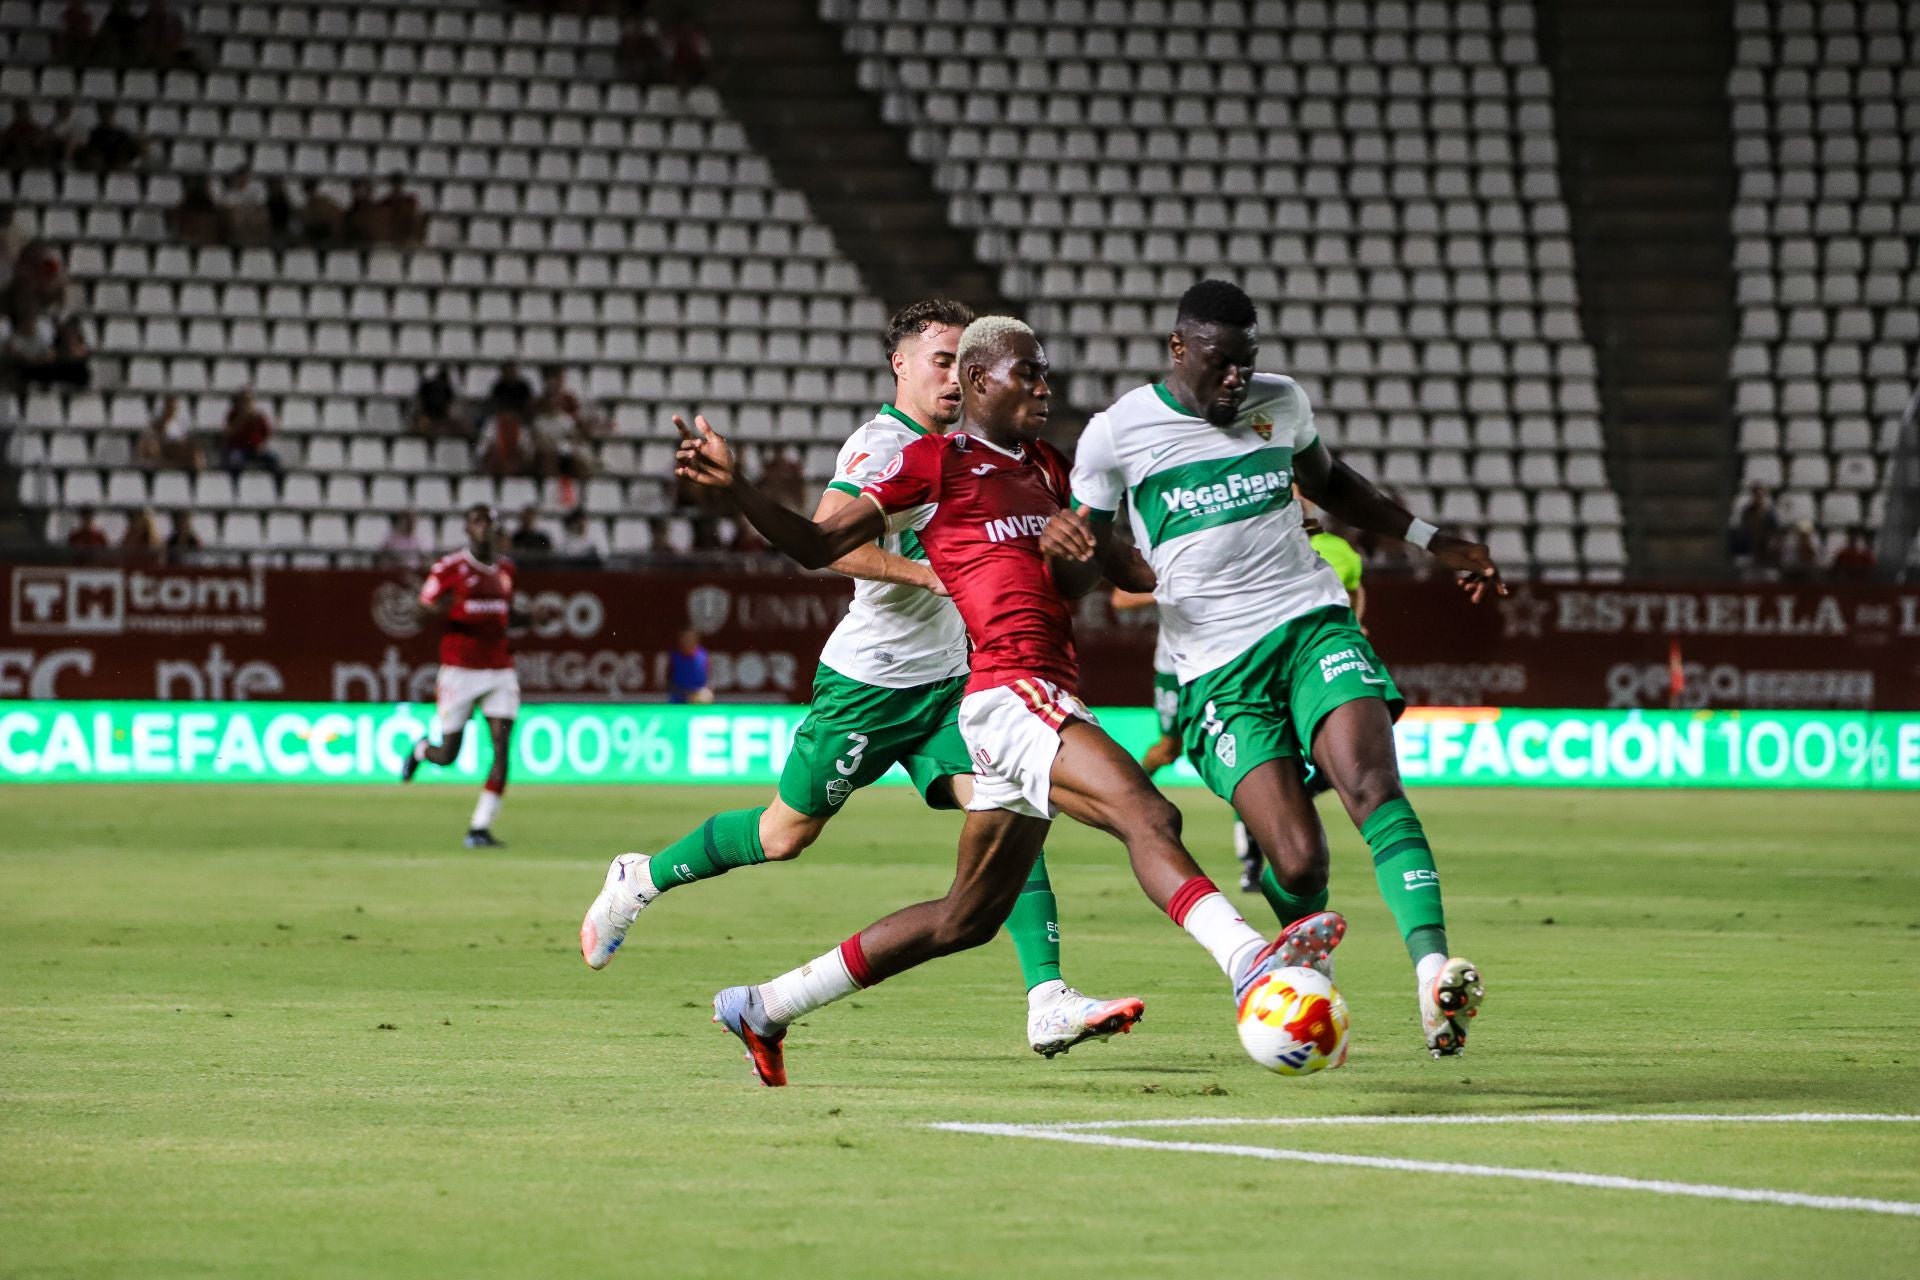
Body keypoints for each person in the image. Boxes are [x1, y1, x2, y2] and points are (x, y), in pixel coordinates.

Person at [662, 315, 1345, 1086]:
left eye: (1047, 375)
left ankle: (765, 1005)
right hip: (1006, 691)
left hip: (1037, 690)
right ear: (981, 382)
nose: (1044, 389)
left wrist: (1235, 533)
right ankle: (1249, 961)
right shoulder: (932, 463)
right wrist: (740, 489)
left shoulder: (1053, 468)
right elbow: (820, 545)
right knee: (1147, 813)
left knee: (967, 918)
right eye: (1028, 374)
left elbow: (1128, 571)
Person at [577, 301, 1148, 1064]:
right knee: (784, 836)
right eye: (939, 360)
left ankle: (1047, 998)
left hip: (956, 682)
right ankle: (640, 876)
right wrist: (931, 573)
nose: (952, 375)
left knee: (1009, 800)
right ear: (900, 366)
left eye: (962, 361)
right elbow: (827, 538)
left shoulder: (992, 448)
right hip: (871, 683)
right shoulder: (883, 445)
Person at [1066, 279, 1498, 1057]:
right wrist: (1078, 560)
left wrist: (1436, 539)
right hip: (1216, 674)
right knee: (1298, 861)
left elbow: (1333, 486)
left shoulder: (1281, 402)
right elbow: (1087, 555)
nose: (1237, 378)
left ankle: (1434, 972)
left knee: (1373, 785)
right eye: (1220, 363)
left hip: (1308, 624)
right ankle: (1310, 959)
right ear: (1179, 349)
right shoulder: (1116, 434)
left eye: (1247, 362)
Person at [399, 505, 549, 848]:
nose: (484, 530)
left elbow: (504, 616)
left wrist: (532, 618)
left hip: (499, 669)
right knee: (448, 754)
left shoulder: (506, 569)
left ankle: (479, 828)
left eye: (489, 524)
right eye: (477, 523)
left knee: (501, 748)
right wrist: (436, 610)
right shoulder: (449, 568)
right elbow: (420, 613)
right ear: (468, 530)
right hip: (460, 670)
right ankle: (422, 750)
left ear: (496, 530)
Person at [222, 388, 282, 481]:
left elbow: (267, 433)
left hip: (256, 449)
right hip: (240, 448)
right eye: (244, 400)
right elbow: (229, 433)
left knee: (274, 460)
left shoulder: (258, 416)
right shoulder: (233, 415)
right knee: (234, 460)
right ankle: (236, 486)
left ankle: (276, 486)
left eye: (249, 401)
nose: (246, 404)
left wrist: (261, 445)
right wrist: (242, 418)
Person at [137, 394, 202, 472]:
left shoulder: (179, 426)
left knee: (196, 455)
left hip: (176, 457)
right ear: (165, 408)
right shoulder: (153, 426)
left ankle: (193, 478)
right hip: (160, 458)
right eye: (169, 407)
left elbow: (183, 443)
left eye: (174, 408)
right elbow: (145, 448)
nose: (171, 410)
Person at [76, 105, 142, 172]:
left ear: (112, 113)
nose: (106, 115)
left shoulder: (121, 132)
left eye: (108, 113)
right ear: (99, 114)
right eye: (103, 113)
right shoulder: (95, 132)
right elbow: (91, 149)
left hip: (117, 161)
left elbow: (128, 151)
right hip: (100, 162)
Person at [665, 627, 711, 704]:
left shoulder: (703, 656)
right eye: (685, 638)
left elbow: (709, 680)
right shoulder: (674, 657)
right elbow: (668, 683)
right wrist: (686, 695)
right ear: (680, 640)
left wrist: (705, 692)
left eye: (691, 638)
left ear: (697, 640)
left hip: (699, 701)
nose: (688, 641)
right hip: (678, 702)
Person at [299, 178, 343, 245]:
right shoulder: (306, 208)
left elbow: (337, 219)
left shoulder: (326, 204)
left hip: (329, 238)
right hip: (313, 238)